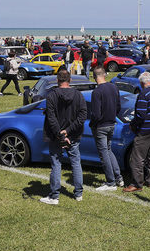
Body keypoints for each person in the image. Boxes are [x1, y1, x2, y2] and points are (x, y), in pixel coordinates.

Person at [40, 70, 87, 205]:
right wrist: (62, 134)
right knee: (74, 162)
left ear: (57, 80)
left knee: (57, 163)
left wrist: (66, 131)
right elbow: (52, 117)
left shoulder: (73, 95)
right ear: (70, 80)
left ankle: (57, 195)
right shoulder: (55, 96)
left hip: (67, 134)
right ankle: (75, 193)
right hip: (61, 135)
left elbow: (82, 115)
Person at [123, 72, 150, 192]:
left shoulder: (143, 94)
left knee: (137, 158)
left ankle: (137, 184)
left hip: (145, 131)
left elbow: (140, 115)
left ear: (141, 83)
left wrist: (133, 125)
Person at [90, 66, 123, 191]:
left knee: (104, 153)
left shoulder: (97, 92)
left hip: (101, 126)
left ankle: (110, 182)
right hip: (112, 123)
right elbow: (118, 107)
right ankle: (118, 177)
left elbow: (96, 114)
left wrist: (93, 123)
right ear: (105, 75)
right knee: (108, 150)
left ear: (95, 77)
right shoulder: (114, 87)